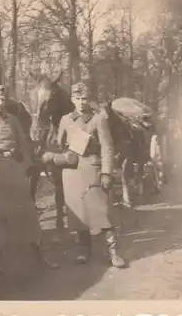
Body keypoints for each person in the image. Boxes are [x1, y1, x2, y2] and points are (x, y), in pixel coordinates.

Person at [0, 85, 58, 274]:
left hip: (15, 171)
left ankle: (39, 255)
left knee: (27, 214)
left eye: (2, 100)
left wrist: (26, 167)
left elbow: (23, 144)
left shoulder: (13, 120)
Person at [45, 82, 126, 268]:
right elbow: (60, 144)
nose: (81, 102)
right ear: (72, 100)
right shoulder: (65, 120)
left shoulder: (99, 119)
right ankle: (84, 249)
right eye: (78, 98)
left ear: (90, 100)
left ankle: (113, 252)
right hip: (72, 172)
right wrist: (61, 157)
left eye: (85, 99)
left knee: (103, 211)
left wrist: (106, 171)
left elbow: (107, 147)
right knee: (78, 213)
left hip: (93, 168)